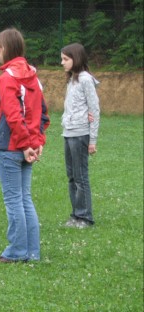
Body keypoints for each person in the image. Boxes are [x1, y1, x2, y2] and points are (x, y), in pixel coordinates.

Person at [0, 28, 50, 263]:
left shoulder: (6, 79)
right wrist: (37, 143)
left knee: (14, 200)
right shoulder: (33, 78)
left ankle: (17, 251)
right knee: (24, 198)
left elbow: (14, 115)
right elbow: (42, 114)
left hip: (10, 148)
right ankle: (32, 252)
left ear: (4, 49)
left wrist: (27, 144)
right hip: (27, 147)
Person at [60, 43, 100, 229]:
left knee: (81, 176)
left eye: (66, 59)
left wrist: (92, 140)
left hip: (80, 134)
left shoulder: (85, 80)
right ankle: (75, 214)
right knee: (71, 176)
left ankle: (85, 217)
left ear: (76, 59)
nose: (62, 63)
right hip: (68, 133)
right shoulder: (72, 80)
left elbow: (94, 109)